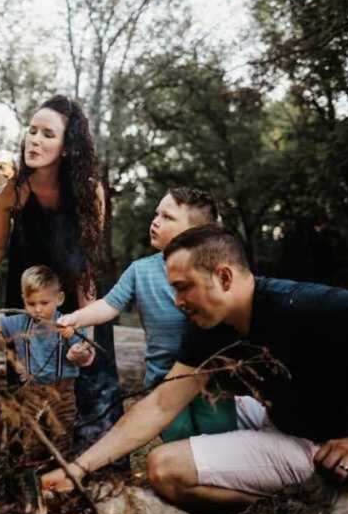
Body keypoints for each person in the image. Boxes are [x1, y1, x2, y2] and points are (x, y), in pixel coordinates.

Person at [42, 224, 348, 514]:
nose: (177, 301)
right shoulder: (210, 323)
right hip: (276, 418)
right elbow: (159, 404)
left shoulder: (305, 305)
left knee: (163, 468)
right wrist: (80, 467)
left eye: (182, 286)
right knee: (198, 408)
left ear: (224, 276)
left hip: (320, 446)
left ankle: (301, 510)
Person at [0, 95, 124, 454]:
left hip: (75, 303)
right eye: (32, 131)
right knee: (30, 400)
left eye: (47, 134)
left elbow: (87, 266)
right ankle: (31, 476)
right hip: (28, 301)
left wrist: (86, 332)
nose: (34, 140)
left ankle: (94, 474)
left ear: (68, 147)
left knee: (87, 394)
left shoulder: (89, 191)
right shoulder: (13, 186)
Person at [57, 187, 236, 442]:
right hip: (162, 380)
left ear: (195, 232)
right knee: (178, 440)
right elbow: (109, 305)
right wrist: (76, 317)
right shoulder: (140, 270)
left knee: (221, 442)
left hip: (212, 377)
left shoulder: (213, 270)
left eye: (167, 217)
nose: (155, 221)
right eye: (156, 214)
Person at [0, 265, 95, 456]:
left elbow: (84, 356)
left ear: (59, 299)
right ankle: (29, 472)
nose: (38, 309)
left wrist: (73, 344)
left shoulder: (69, 323)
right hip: (31, 390)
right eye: (32, 304)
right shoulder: (19, 322)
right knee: (29, 434)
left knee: (62, 434)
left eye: (44, 302)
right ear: (24, 301)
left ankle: (59, 473)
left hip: (63, 390)